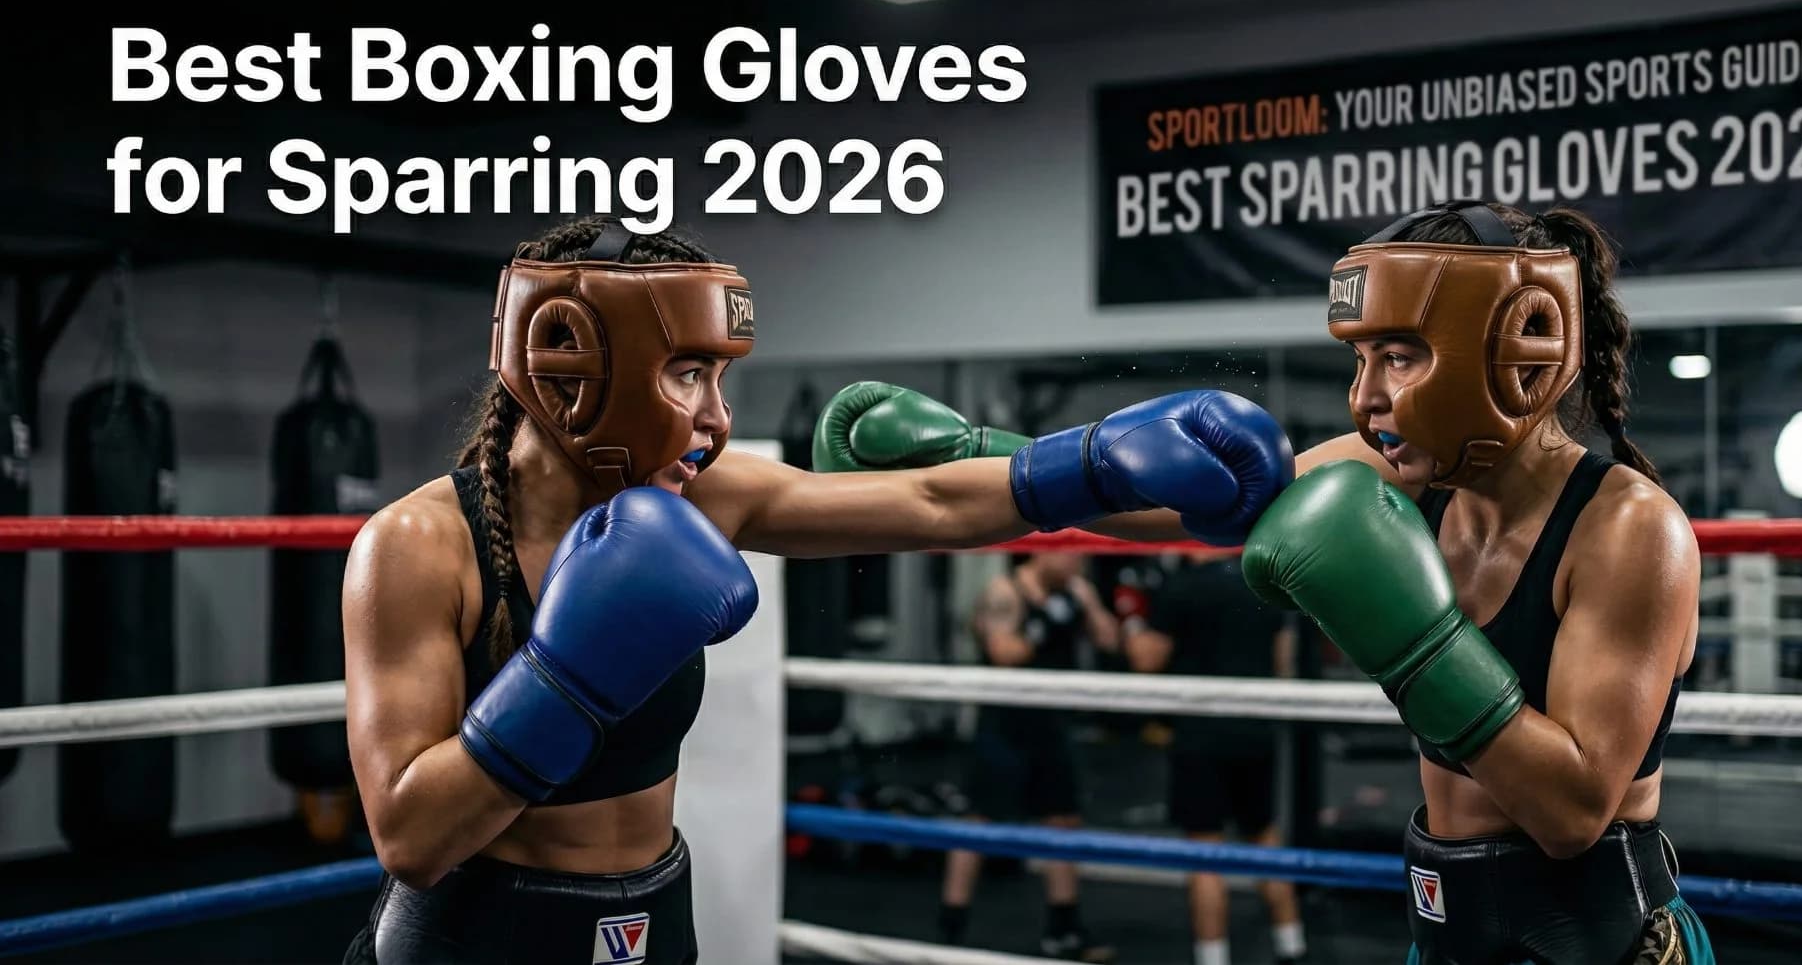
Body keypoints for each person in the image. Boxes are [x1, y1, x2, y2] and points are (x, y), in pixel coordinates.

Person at [340, 215, 1295, 964]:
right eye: (687, 373)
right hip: (479, 944)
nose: (716, 420)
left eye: (719, 376)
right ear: (574, 368)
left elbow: (928, 502)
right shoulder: (421, 547)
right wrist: (565, 676)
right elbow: (411, 838)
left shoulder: (705, 499)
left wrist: (1090, 463)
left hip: (651, 929)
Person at [824, 199, 1715, 963]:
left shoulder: (1630, 530)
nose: (1367, 398)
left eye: (1400, 356)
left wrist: (1419, 646)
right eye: (1361, 359)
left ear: (1514, 347)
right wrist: (987, 454)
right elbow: (1183, 501)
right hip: (1449, 935)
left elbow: (1571, 812)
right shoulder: (1398, 475)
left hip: (1603, 945)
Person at [1124, 551, 1305, 965]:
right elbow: (1283, 660)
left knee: (1205, 850)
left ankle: (1212, 957)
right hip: (1255, 729)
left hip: (1200, 735)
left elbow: (1145, 659)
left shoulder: (1182, 587)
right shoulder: (1264, 585)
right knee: (1263, 835)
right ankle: (1292, 945)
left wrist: (1132, 616)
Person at [938, 551, 1120, 962]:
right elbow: (1003, 653)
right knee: (979, 822)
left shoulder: (1075, 589)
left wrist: (1087, 605)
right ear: (1043, 549)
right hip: (1004, 725)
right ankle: (951, 925)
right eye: (1070, 555)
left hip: (1052, 725)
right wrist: (1045, 623)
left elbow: (1109, 640)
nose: (1077, 564)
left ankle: (1064, 929)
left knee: (1062, 820)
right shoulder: (1006, 590)